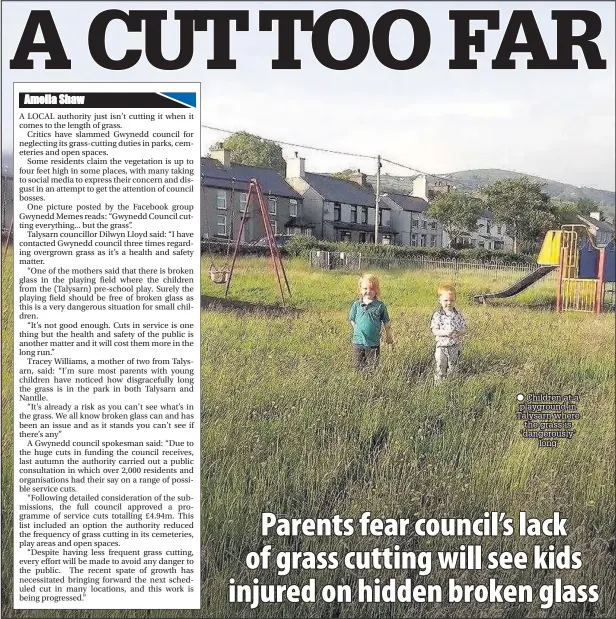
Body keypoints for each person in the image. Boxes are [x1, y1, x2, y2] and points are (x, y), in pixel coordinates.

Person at [349, 273, 393, 370]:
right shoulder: (356, 305)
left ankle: (371, 383)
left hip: (373, 344)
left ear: (376, 290)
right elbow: (352, 319)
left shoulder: (380, 306)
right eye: (365, 289)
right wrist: (356, 328)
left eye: (372, 289)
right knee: (358, 367)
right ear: (360, 289)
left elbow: (387, 322)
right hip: (358, 342)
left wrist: (388, 336)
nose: (368, 291)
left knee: (372, 368)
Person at [430, 284, 467, 383]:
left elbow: (464, 329)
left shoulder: (458, 315)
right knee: (440, 366)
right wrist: (445, 333)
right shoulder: (438, 315)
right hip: (441, 346)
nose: (449, 303)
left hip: (455, 346)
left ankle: (452, 385)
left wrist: (459, 333)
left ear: (455, 300)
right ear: (440, 301)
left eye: (452, 300)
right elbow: (434, 330)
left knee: (453, 367)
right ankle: (439, 386)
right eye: (446, 300)